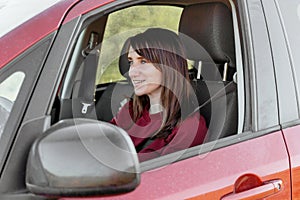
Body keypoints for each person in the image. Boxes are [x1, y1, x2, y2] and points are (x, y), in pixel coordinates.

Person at [111, 28, 207, 161]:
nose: (132, 72)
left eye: (143, 61)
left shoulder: (188, 127)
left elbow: (163, 177)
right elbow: (102, 146)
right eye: (131, 62)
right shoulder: (130, 110)